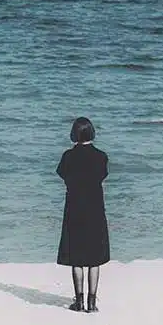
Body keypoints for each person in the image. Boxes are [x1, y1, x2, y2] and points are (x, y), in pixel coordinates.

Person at [56, 116, 110, 313]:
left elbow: (63, 175)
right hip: (95, 209)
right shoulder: (101, 156)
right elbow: (102, 175)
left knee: (76, 257)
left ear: (74, 134)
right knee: (94, 258)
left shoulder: (68, 157)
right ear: (92, 133)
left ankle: (78, 302)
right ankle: (92, 302)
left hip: (74, 209)